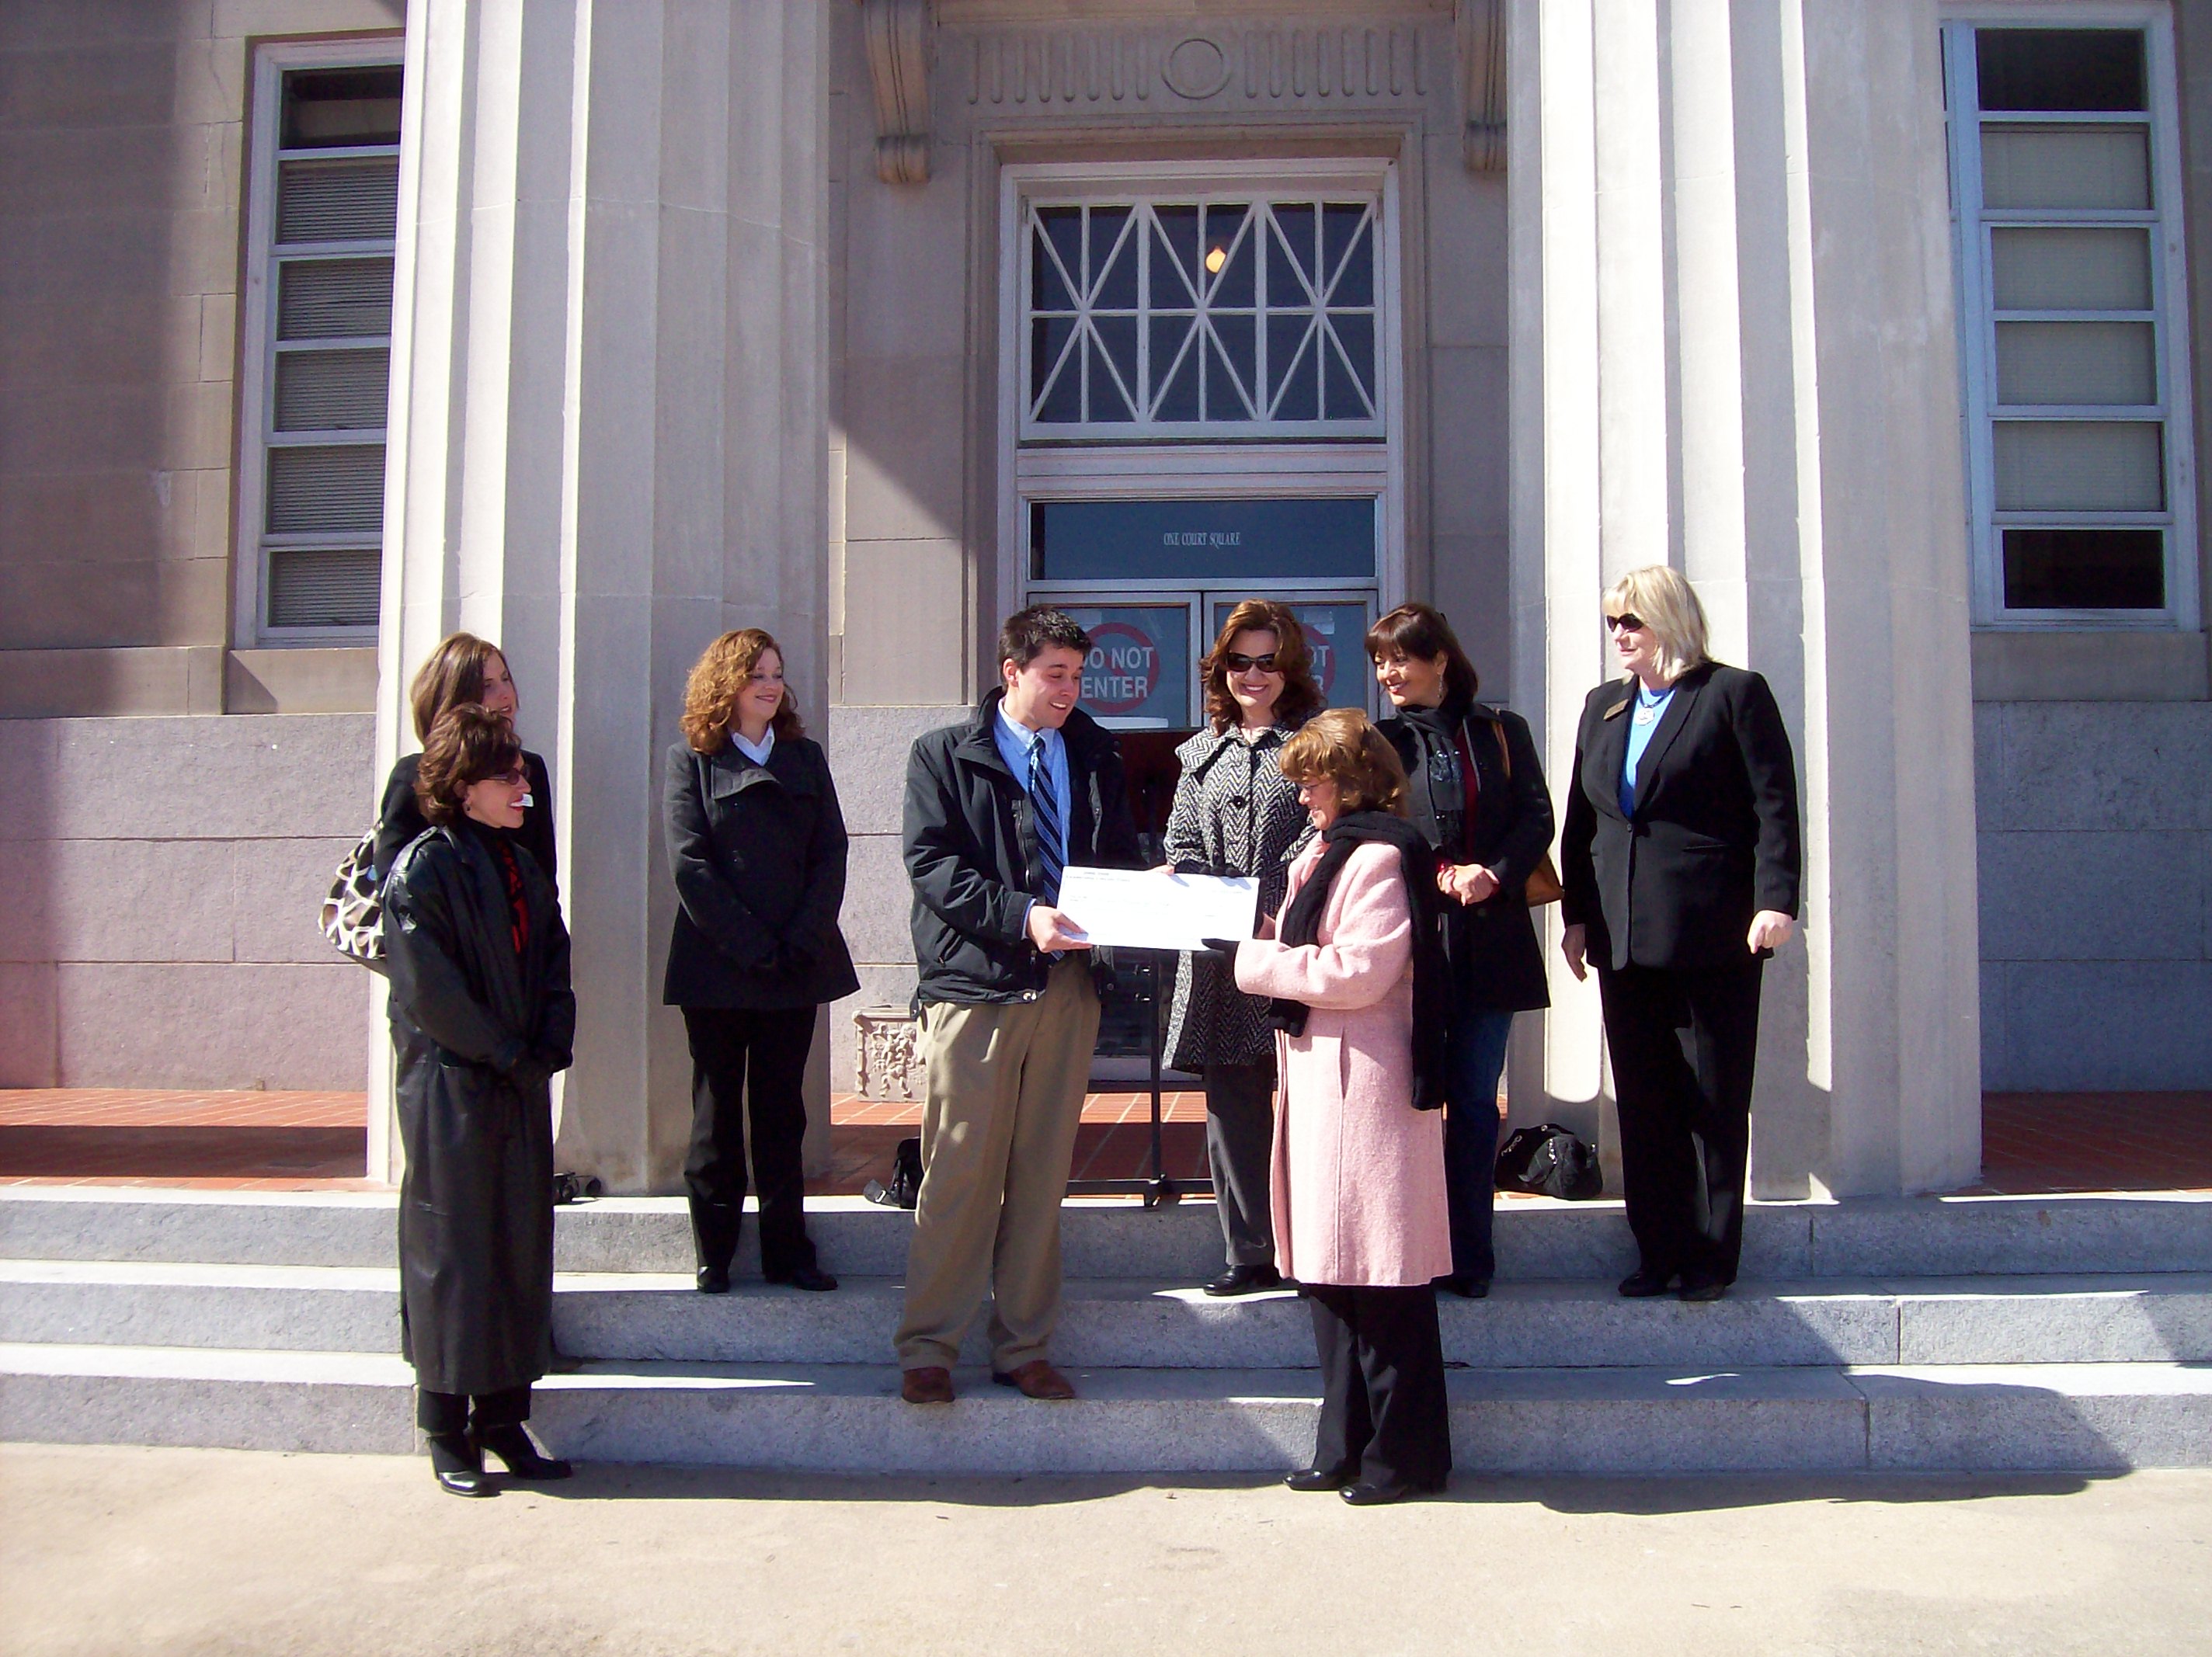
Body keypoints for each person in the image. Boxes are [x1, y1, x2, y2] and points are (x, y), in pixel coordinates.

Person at [894, 606, 1143, 1405]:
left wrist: (1145, 891)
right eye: (1054, 675)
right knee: (960, 1172)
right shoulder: (942, 754)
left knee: (1040, 1176)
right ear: (1012, 671)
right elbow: (931, 865)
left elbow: (1112, 854)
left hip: (1068, 990)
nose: (1070, 690)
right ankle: (930, 1346)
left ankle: (1024, 1346)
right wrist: (1021, 915)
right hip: (976, 989)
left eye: (1078, 675)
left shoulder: (1094, 751)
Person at [1227, 708, 1454, 1505]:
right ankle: (1343, 1446)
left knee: (1383, 1280)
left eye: (1313, 781)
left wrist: (1255, 962)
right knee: (1331, 1278)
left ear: (1353, 780)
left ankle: (1404, 1458)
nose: (1304, 796)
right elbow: (1305, 942)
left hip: (1369, 1089)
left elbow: (1359, 971)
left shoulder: (1381, 856)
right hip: (1328, 1083)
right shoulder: (1326, 852)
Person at [1557, 565, 1802, 1303]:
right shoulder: (1604, 706)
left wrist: (1776, 900)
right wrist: (1576, 915)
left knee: (1711, 1099)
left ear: (1669, 619)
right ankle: (1657, 1250)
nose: (1619, 635)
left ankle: (1709, 1258)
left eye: (1631, 621)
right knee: (1644, 1100)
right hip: (1623, 934)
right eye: (1612, 622)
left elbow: (1774, 806)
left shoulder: (1732, 694)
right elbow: (1583, 823)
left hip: (1712, 930)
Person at [381, 703, 576, 1497]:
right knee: (454, 1249)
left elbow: (554, 957)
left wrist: (548, 1044)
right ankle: (445, 1424)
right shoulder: (423, 869)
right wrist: (502, 1053)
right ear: (464, 787)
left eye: (521, 773)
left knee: (515, 1242)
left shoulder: (518, 865)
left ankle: (503, 1416)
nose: (523, 786)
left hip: (514, 1083)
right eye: (507, 775)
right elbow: (428, 987)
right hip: (452, 1088)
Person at [663, 629, 858, 1295]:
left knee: (782, 1114)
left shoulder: (804, 757)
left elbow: (830, 853)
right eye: (756, 675)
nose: (771, 686)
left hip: (794, 965)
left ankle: (787, 1252)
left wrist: (800, 939)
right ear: (726, 684)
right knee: (716, 1114)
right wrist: (751, 946)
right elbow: (690, 864)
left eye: (776, 673)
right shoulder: (692, 760)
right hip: (718, 968)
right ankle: (714, 1252)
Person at [1370, 603, 1554, 1299]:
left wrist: (1494, 874)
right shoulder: (1381, 741)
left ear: (1440, 660)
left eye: (1400, 658)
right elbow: (1373, 828)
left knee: (1475, 1101)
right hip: (1414, 940)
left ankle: (1470, 1254)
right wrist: (1438, 871)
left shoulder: (1501, 731)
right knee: (1413, 1100)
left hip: (1492, 938)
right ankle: (1412, 1247)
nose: (1388, 673)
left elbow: (1537, 816)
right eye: (1380, 660)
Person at [1160, 600, 1323, 1297]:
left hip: (1296, 948)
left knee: (1313, 1103)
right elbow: (1178, 840)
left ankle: (1315, 1249)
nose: (1253, 675)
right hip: (1219, 959)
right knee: (1234, 1108)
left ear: (1291, 668)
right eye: (1239, 661)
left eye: (1268, 662)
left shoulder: (1316, 745)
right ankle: (1249, 1251)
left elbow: (1321, 834)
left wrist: (1269, 906)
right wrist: (1212, 895)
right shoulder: (1199, 754)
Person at [374, 634, 555, 890]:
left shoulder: (531, 769)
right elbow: (393, 884)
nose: (506, 695)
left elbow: (544, 881)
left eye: (506, 679)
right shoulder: (415, 776)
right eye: (487, 686)